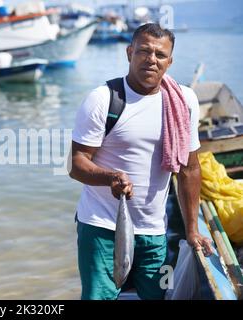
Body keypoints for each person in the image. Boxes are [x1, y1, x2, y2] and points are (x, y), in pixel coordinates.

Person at [69, 23, 214, 300]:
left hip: (154, 231)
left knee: (157, 297)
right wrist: (109, 177)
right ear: (129, 52)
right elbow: (77, 163)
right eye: (144, 51)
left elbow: (189, 168)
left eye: (160, 55)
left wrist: (192, 230)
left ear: (169, 62)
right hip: (102, 227)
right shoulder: (102, 99)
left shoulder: (184, 101)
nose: (151, 59)